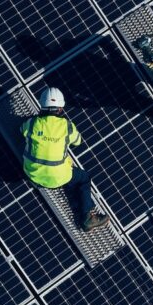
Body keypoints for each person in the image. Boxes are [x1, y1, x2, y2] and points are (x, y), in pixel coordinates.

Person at [21, 87, 110, 232]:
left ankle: (81, 207)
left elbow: (22, 130)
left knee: (64, 171)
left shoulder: (31, 123)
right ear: (61, 109)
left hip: (33, 175)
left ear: (41, 105)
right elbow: (78, 141)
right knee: (84, 177)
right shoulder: (66, 126)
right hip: (58, 178)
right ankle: (87, 216)